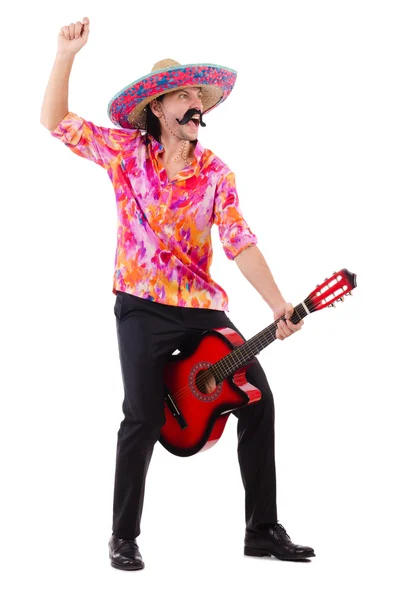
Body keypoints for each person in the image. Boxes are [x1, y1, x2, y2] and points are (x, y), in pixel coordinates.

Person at [40, 17, 315, 570]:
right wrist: (66, 55)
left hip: (202, 309)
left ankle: (261, 530)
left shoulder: (217, 172)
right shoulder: (124, 154)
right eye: (183, 96)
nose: (195, 106)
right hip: (141, 304)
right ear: (157, 108)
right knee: (142, 414)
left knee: (257, 400)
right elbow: (56, 122)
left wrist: (279, 305)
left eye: (199, 97)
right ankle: (123, 536)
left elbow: (240, 242)